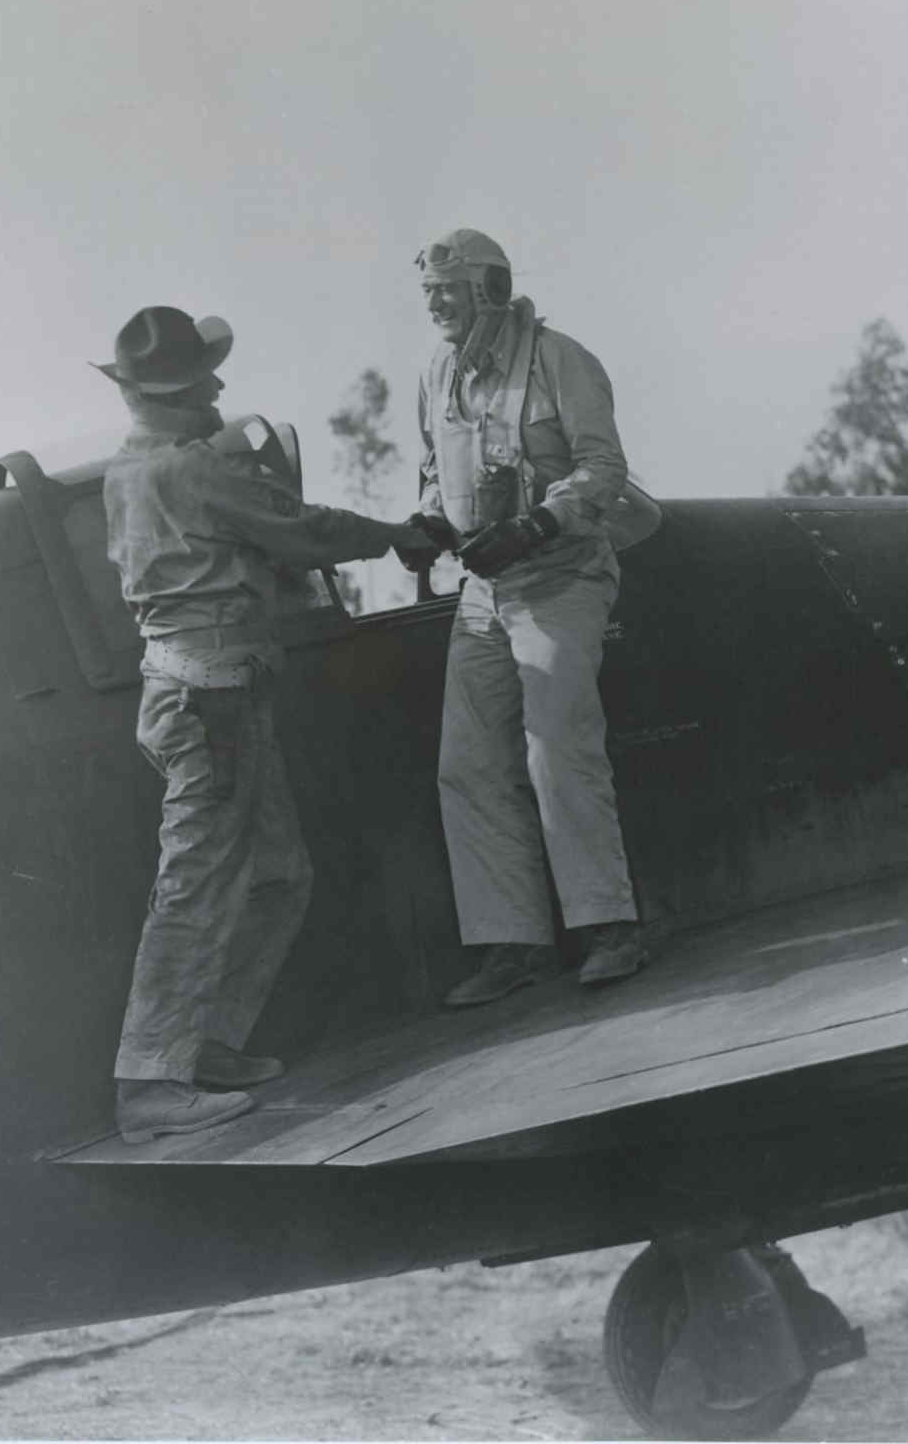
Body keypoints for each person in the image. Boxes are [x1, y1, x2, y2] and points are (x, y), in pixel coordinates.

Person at [98, 304, 432, 1143]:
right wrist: (399, 534)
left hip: (210, 690)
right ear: (169, 398)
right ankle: (149, 1081)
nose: (216, 386)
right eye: (198, 378)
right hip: (210, 697)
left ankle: (205, 1043)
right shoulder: (192, 470)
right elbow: (304, 530)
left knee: (281, 873)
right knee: (197, 886)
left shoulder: (128, 470)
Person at [402, 229, 646, 1009]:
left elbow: (603, 468)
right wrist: (428, 526)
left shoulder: (559, 358)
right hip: (482, 597)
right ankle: (513, 943)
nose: (436, 303)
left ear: (493, 286)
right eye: (429, 290)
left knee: (556, 749)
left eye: (450, 286)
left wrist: (539, 525)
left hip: (561, 577)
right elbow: (436, 476)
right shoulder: (436, 374)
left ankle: (611, 927)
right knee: (467, 764)